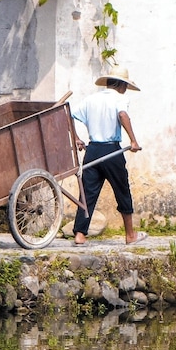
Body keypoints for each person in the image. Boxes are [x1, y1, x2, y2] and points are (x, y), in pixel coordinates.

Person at [71, 65, 146, 245]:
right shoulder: (120, 98)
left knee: (87, 193)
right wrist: (133, 141)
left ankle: (80, 234)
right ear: (121, 85)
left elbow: (70, 116)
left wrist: (76, 138)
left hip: (93, 151)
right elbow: (122, 115)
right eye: (125, 86)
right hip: (111, 150)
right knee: (122, 190)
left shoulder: (91, 99)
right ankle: (130, 235)